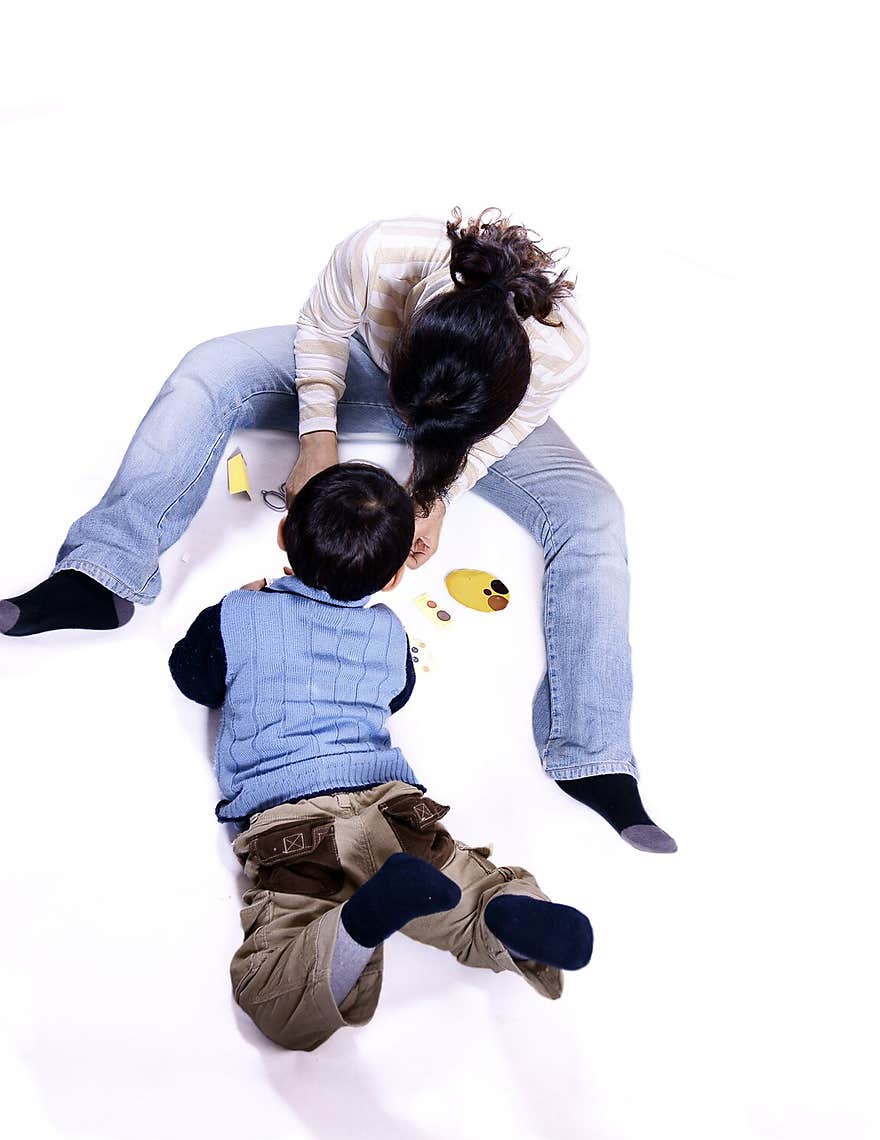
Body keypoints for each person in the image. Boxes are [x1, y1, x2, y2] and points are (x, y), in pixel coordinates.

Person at [2, 209, 676, 853]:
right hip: (369, 369)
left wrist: (439, 488)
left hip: (474, 427)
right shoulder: (381, 252)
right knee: (207, 371)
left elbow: (506, 433)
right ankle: (102, 574)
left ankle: (591, 752)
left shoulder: (561, 346)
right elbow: (321, 331)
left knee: (594, 512)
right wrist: (316, 435)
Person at [168, 462, 593, 1052]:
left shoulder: (237, 617)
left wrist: (237, 609)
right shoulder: (388, 633)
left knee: (278, 987)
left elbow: (192, 678)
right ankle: (504, 916)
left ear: (284, 534)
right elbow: (397, 694)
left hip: (293, 824)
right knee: (466, 890)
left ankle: (358, 925)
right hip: (394, 808)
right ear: (393, 579)